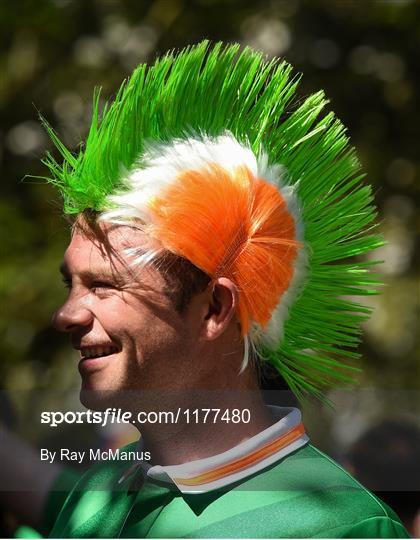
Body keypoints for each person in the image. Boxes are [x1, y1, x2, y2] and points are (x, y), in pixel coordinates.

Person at [26, 41, 409, 537]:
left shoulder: (341, 526)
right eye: (71, 284)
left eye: (105, 286)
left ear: (215, 308)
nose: (66, 314)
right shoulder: (97, 493)